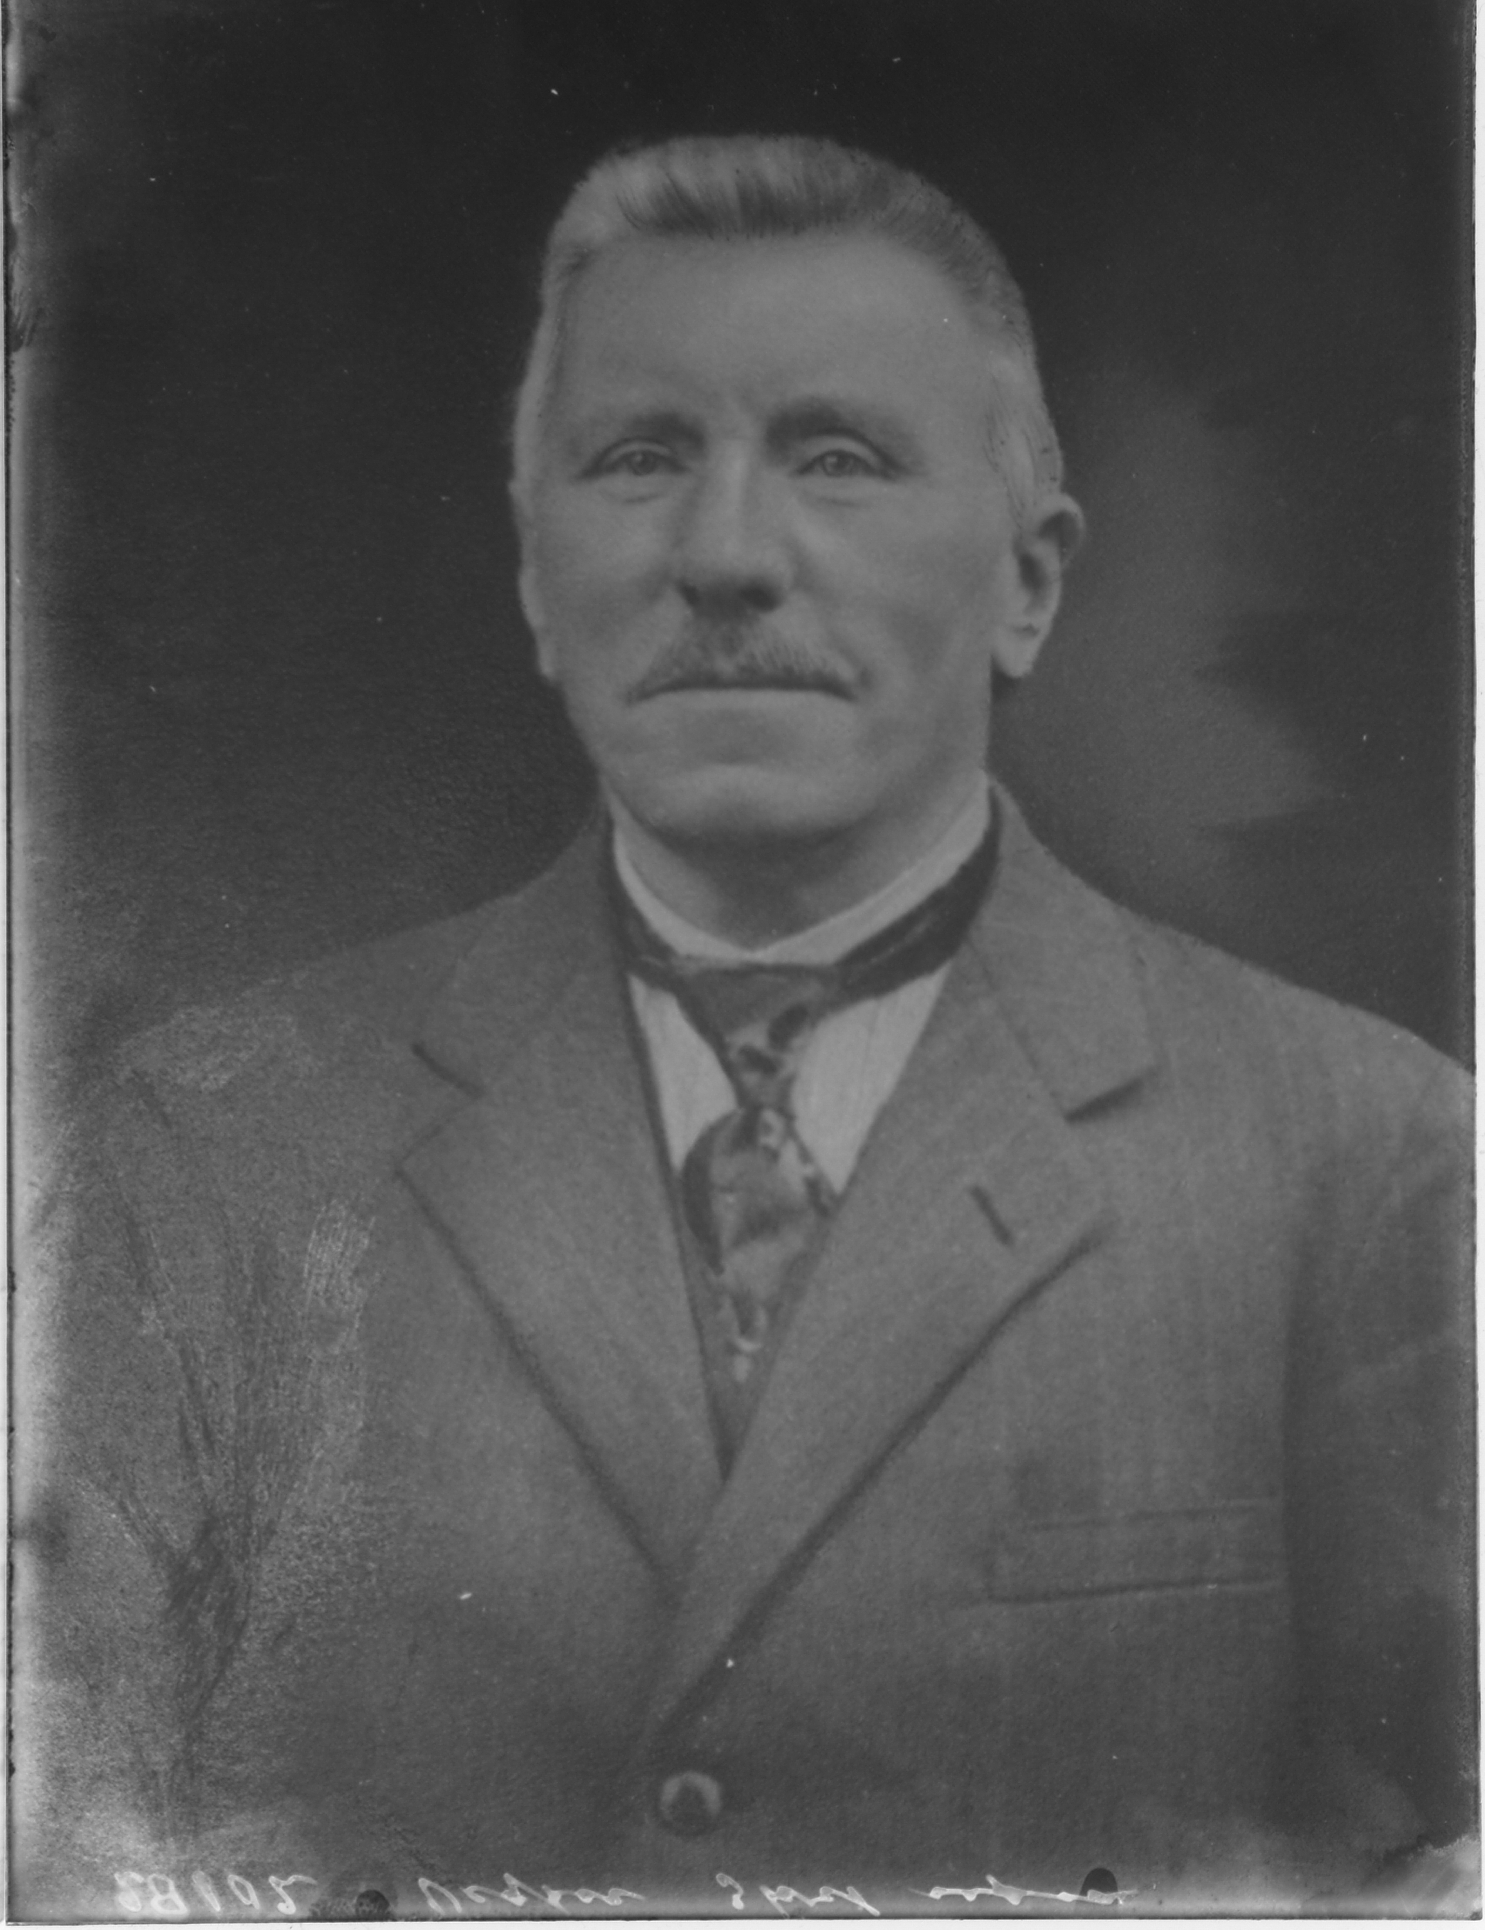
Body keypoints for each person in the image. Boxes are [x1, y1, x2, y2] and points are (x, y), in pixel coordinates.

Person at [20, 135, 1472, 1919]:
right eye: (639, 457)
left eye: (836, 456)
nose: (722, 554)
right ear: (537, 575)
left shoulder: (1364, 1161)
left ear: (1028, 581)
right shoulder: (209, 1148)